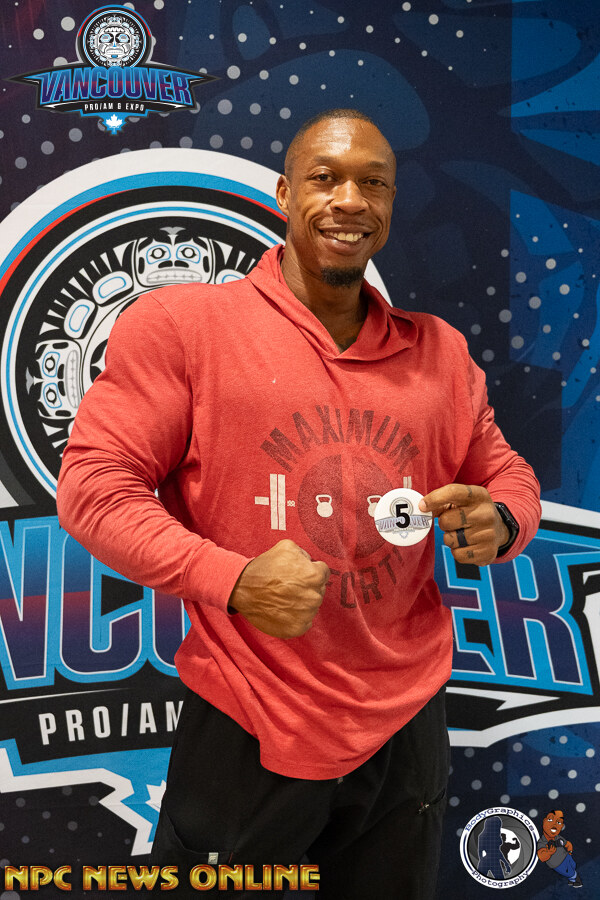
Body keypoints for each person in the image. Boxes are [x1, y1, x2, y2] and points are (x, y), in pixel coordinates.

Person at [56, 108, 541, 898]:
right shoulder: (185, 327)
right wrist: (234, 580)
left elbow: (509, 475)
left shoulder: (441, 353)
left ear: (390, 203)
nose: (350, 200)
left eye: (373, 183)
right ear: (285, 194)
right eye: (325, 178)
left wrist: (505, 519)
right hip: (250, 718)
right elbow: (94, 489)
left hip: (406, 725)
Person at [537, 810, 583, 888]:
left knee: (573, 865)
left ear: (561, 826)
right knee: (569, 873)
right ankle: (576, 879)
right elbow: (541, 856)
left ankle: (572, 880)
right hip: (557, 864)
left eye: (558, 822)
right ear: (544, 821)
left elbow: (567, 843)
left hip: (566, 856)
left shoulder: (558, 837)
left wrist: (570, 851)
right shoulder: (542, 842)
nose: (554, 824)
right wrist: (549, 852)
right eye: (550, 819)